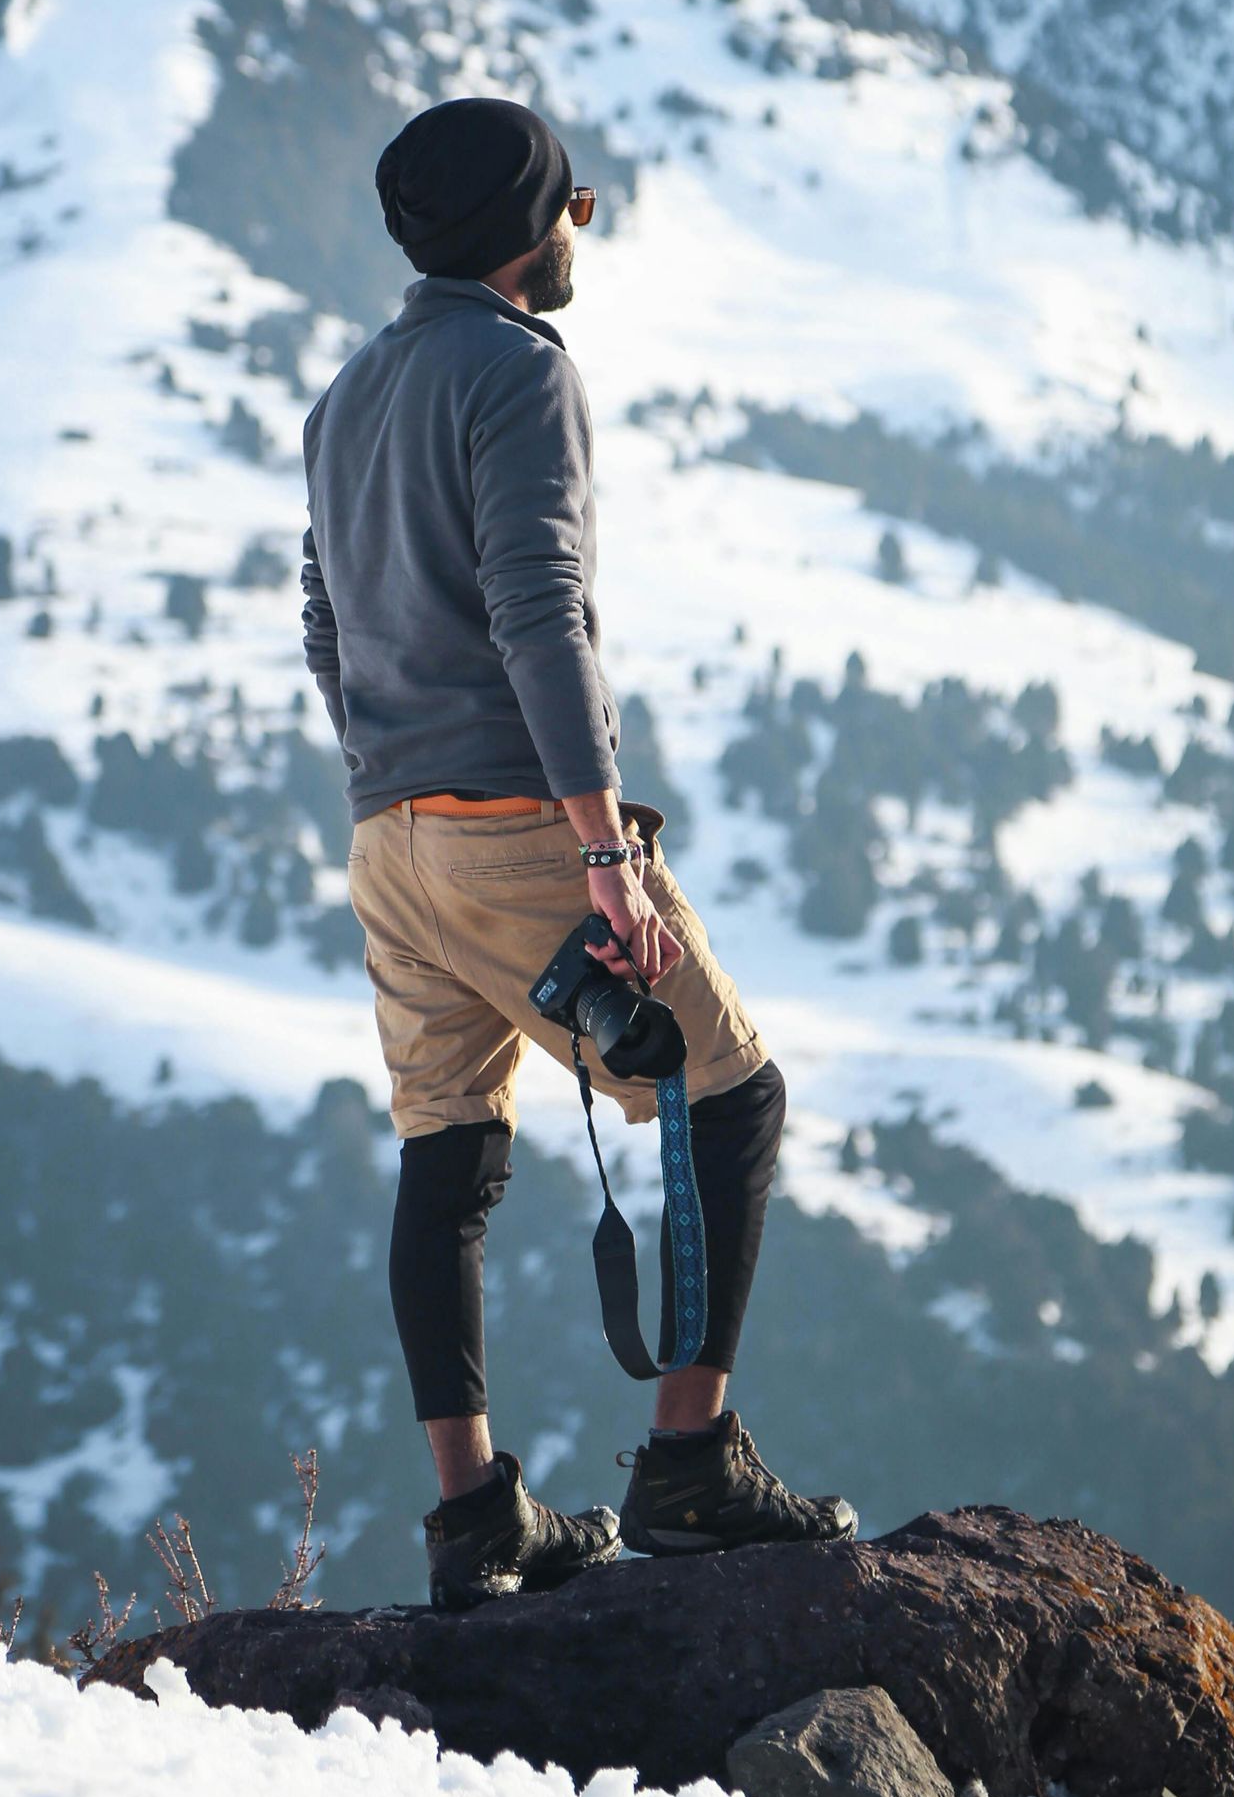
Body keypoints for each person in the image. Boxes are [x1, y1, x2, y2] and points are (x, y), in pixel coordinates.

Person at [301, 95, 855, 1608]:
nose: (578, 232)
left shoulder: (346, 396)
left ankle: (476, 1518)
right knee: (731, 1100)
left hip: (387, 842)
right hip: (514, 831)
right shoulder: (521, 373)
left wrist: (393, 781)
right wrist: (601, 848)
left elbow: (324, 630)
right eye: (574, 209)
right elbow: (541, 610)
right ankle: (688, 1464)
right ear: (526, 233)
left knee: (450, 1154)